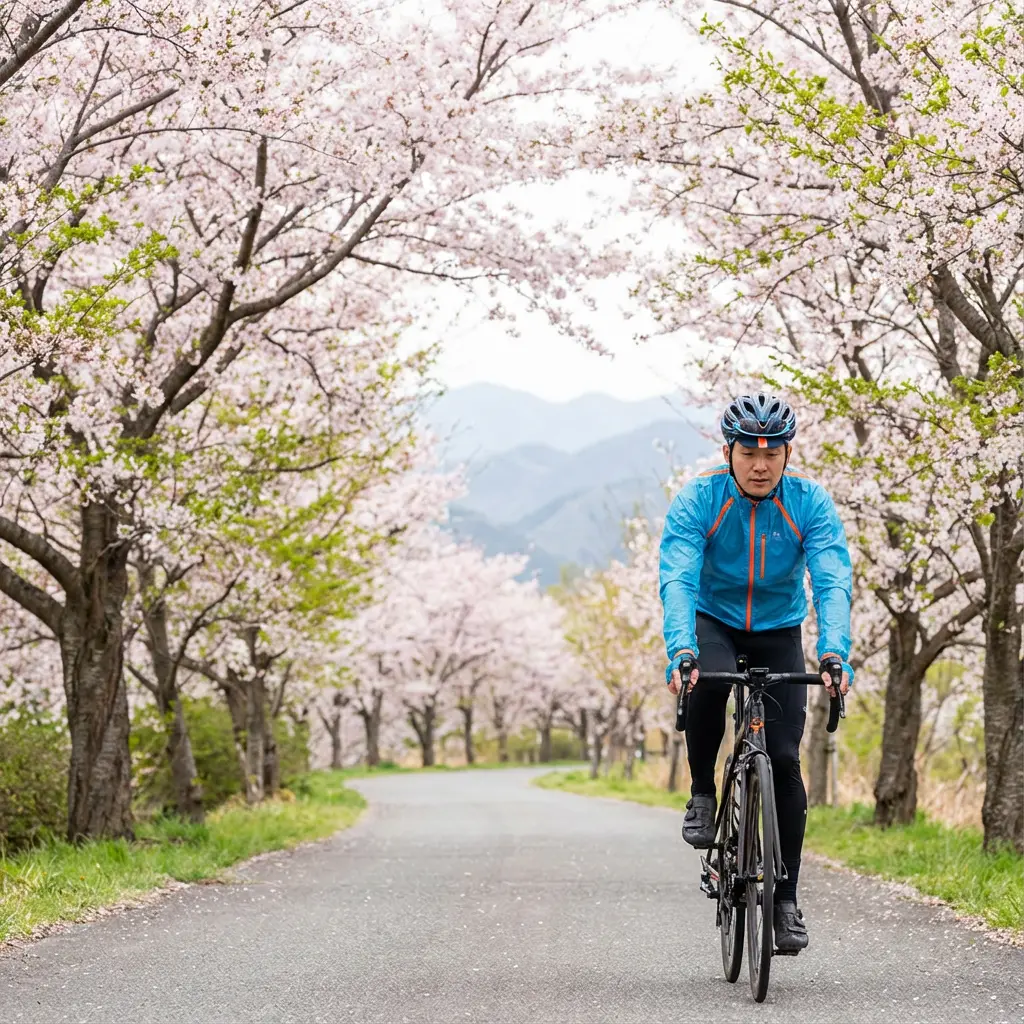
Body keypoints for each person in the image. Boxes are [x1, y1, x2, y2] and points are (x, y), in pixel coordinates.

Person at [659, 392, 853, 953]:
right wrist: (681, 651)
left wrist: (834, 652)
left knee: (787, 759)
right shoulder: (700, 499)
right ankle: (701, 792)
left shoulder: (809, 503)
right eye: (749, 452)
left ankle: (786, 900)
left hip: (778, 628)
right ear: (729, 451)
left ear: (788, 454)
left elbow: (832, 579)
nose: (761, 464)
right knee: (710, 680)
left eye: (773, 452)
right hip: (713, 620)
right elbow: (677, 577)